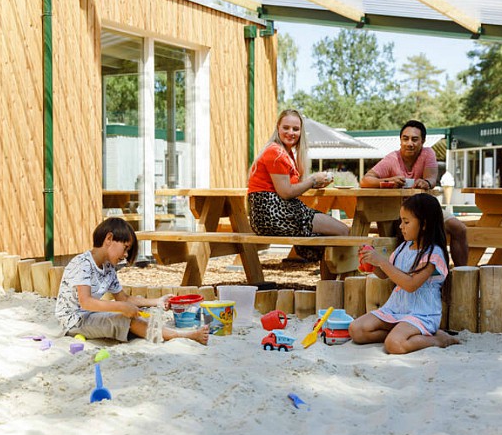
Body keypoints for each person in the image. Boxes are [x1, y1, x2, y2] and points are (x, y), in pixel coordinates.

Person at [55, 217, 209, 345]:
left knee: (133, 316)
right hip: (74, 322)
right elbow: (86, 302)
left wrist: (157, 301)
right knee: (127, 319)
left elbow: (125, 298)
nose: (125, 255)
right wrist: (121, 307)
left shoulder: (108, 268)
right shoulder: (82, 264)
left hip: (91, 316)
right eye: (126, 248)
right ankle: (183, 336)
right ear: (109, 239)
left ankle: (163, 333)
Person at [348, 194, 460, 354]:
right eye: (401, 221)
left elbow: (410, 284)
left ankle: (439, 339)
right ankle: (398, 333)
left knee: (394, 345)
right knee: (356, 330)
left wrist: (381, 262)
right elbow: (386, 275)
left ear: (424, 224)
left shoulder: (432, 254)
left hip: (421, 313)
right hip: (395, 309)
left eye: (406, 222)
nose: (401, 226)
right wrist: (372, 264)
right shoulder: (403, 248)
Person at [360, 120, 468, 266]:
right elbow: (365, 181)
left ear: (422, 141)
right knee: (414, 233)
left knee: (459, 229)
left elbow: (431, 178)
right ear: (400, 141)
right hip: (399, 211)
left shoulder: (428, 153)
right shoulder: (392, 158)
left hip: (428, 209)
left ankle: (462, 273)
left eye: (414, 139)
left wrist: (426, 183)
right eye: (405, 139)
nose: (409, 143)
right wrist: (388, 180)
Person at [247, 109, 349, 262]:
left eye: (295, 129)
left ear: (301, 131)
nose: (291, 132)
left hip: (270, 215)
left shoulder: (285, 153)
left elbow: (289, 187)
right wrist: (312, 180)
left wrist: (315, 184)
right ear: (277, 128)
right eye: (286, 127)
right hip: (273, 215)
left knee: (333, 237)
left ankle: (330, 283)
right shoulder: (276, 153)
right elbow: (286, 192)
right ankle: (339, 280)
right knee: (343, 231)